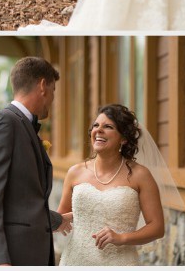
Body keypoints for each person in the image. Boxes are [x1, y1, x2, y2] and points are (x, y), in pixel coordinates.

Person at [0, 57, 72, 265]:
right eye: (53, 90)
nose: (53, 99)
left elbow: (21, 201)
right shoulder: (3, 122)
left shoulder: (23, 125)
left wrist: (57, 220)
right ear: (43, 86)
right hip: (10, 258)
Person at [55, 105, 173, 266]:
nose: (99, 130)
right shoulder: (75, 172)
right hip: (75, 261)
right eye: (96, 125)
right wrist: (62, 218)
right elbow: (59, 219)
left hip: (120, 262)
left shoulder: (141, 175)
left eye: (108, 127)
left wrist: (122, 238)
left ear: (123, 138)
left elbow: (157, 227)